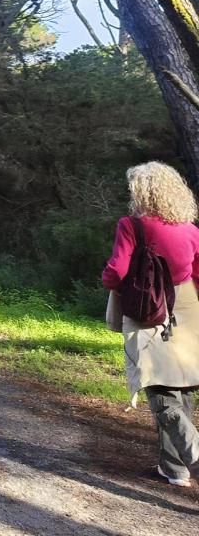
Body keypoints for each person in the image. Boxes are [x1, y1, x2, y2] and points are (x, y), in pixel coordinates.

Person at [101, 161, 199, 487]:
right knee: (181, 384)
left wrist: (107, 280)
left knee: (159, 390)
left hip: (148, 311)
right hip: (186, 309)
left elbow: (116, 271)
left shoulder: (132, 225)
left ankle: (195, 459)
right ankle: (174, 469)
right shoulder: (191, 229)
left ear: (144, 192)